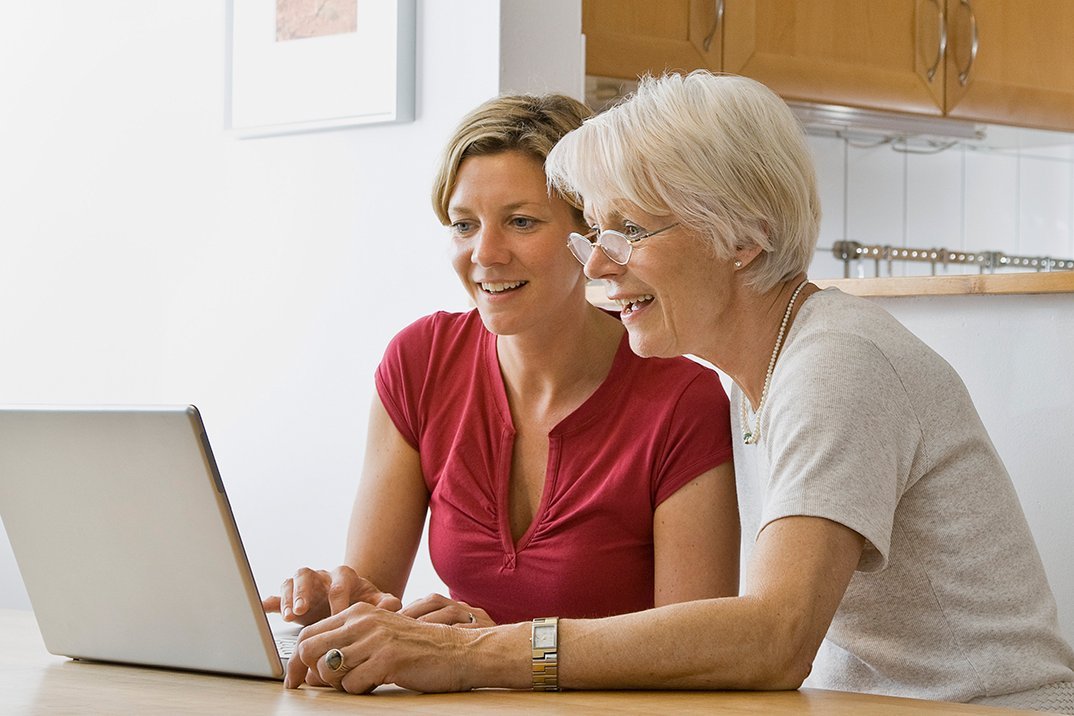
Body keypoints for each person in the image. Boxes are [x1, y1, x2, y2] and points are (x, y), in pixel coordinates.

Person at [280, 72, 1074, 712]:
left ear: (741, 238)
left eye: (630, 232)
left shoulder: (839, 364)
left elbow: (772, 640)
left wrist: (474, 654)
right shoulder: (778, 368)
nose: (596, 264)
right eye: (598, 233)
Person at [266, 94, 738, 643]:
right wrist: (334, 606)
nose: (485, 253)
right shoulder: (420, 361)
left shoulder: (683, 400)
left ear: (590, 235)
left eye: (520, 222)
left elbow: (694, 656)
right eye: (464, 226)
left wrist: (491, 651)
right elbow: (373, 596)